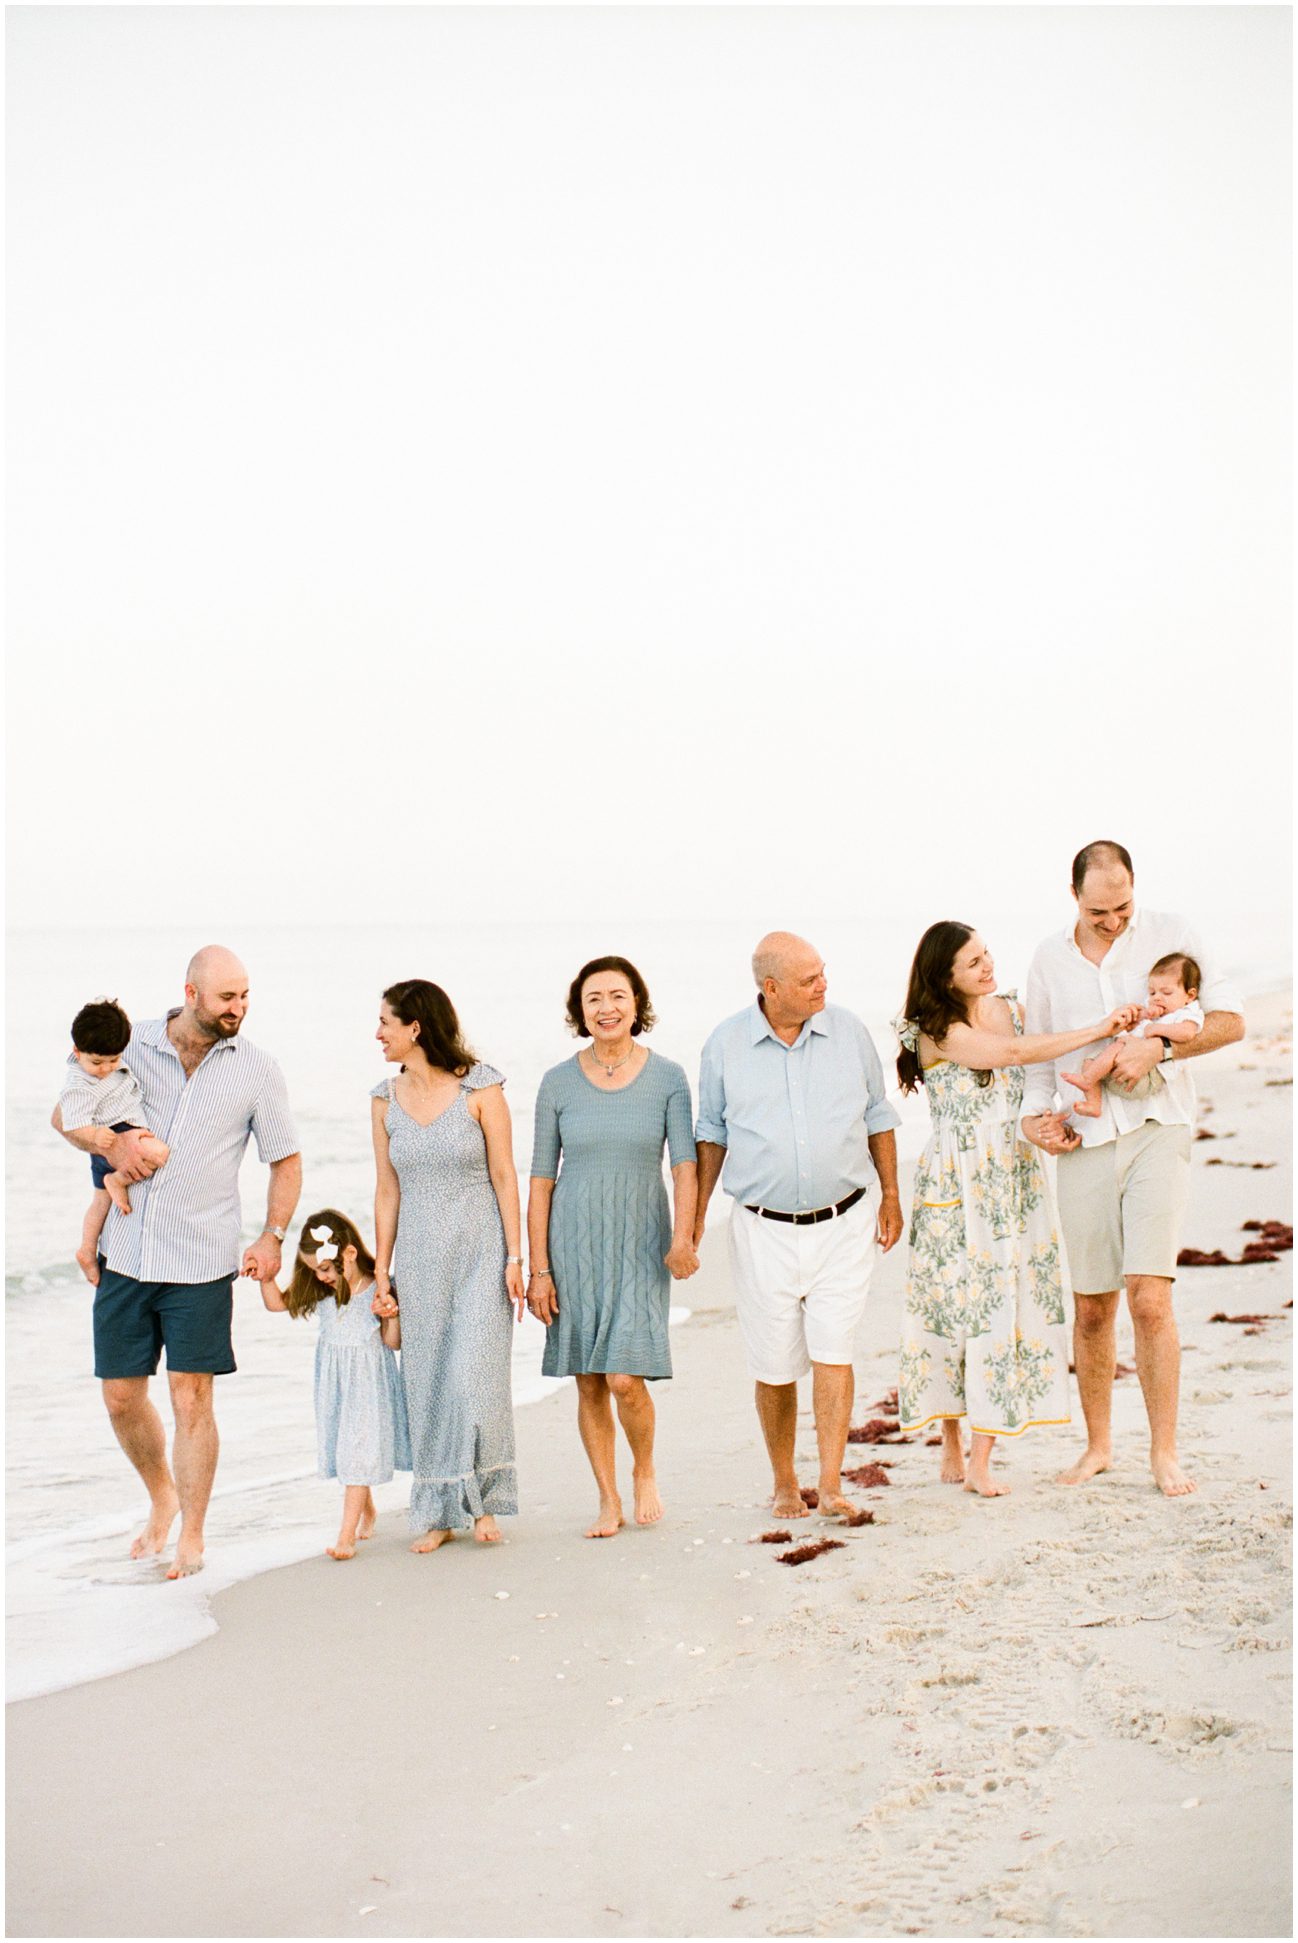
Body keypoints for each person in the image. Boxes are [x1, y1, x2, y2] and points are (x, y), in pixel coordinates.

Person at [51, 946, 301, 1577]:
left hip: (202, 1260)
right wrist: (112, 1143)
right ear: (191, 993)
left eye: (245, 996)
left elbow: (285, 1159)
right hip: (127, 1253)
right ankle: (160, 1495)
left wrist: (272, 1235)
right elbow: (64, 1115)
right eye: (227, 998)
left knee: (192, 1400)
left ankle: (192, 1530)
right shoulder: (124, 1045)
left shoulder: (258, 1070)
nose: (238, 1009)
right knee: (119, 1397)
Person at [1021, 841, 1245, 1497]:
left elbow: (1230, 1020)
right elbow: (1038, 1065)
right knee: (1092, 1308)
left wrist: (1160, 1048)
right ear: (1074, 898)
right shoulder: (1046, 958)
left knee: (1151, 1299)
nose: (1114, 920)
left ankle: (1164, 1452)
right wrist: (1034, 1120)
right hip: (1083, 1139)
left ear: (1134, 889)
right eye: (1099, 911)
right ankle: (1098, 1446)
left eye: (1122, 907)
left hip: (1158, 1129)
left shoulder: (1174, 933)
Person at [894, 923, 1139, 1495]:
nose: (987, 967)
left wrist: (1052, 1119)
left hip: (1015, 1175)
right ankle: (952, 1438)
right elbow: (1007, 1055)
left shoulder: (1014, 1008)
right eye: (972, 962)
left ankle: (983, 1454)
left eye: (987, 955)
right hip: (957, 1180)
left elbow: (1036, 1076)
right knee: (954, 1309)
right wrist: (1100, 1026)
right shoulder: (932, 1031)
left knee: (1003, 1308)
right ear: (944, 976)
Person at [694, 932, 902, 1522]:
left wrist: (891, 1194)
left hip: (844, 1220)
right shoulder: (725, 1044)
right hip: (762, 1229)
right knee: (774, 1365)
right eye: (809, 978)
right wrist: (692, 1225)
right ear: (771, 988)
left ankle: (831, 1483)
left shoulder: (850, 1032)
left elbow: (878, 1115)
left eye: (823, 973)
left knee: (835, 1351)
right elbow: (711, 1133)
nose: (823, 984)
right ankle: (785, 1482)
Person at [527, 957, 698, 1539]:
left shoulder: (668, 1077)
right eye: (594, 998)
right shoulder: (557, 1081)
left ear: (636, 1004)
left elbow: (684, 1166)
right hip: (573, 1245)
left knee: (626, 1377)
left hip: (641, 1242)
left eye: (618, 996)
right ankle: (607, 1498)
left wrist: (684, 1237)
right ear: (580, 1009)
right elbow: (540, 1181)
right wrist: (539, 1270)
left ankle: (644, 1468)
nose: (606, 1008)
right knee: (589, 1380)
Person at [370, 979, 526, 1552]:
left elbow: (505, 1175)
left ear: (415, 1027)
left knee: (474, 1377)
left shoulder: (481, 1088)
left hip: (482, 1252)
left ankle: (484, 1502)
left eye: (385, 1022)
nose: (378, 1033)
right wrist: (382, 1270)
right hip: (418, 1259)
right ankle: (438, 1507)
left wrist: (516, 1256)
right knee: (429, 1380)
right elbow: (386, 1189)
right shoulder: (383, 1098)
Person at [259, 1208, 409, 1561]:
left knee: (356, 1450)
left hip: (369, 1385)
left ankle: (346, 1537)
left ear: (349, 1254)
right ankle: (367, 1510)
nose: (321, 1276)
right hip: (335, 1386)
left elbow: (393, 1342)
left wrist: (392, 1316)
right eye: (314, 1270)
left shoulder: (377, 1286)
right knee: (348, 1450)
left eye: (325, 1268)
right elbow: (277, 1304)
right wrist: (265, 1277)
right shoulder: (322, 1292)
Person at [60, 997, 170, 1285]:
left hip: (117, 1131)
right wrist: (95, 1137)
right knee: (160, 1152)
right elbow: (71, 1123)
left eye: (114, 1060)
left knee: (100, 1203)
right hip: (110, 1135)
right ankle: (119, 1180)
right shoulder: (78, 1083)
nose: (106, 1068)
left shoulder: (107, 1061)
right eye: (97, 1062)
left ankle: (86, 1248)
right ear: (77, 1051)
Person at [1062, 952, 1204, 1117]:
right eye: (1152, 993)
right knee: (1089, 1060)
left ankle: (1088, 1080)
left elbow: (1187, 1033)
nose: (1157, 998)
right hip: (1124, 1067)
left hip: (1149, 1075)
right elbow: (1134, 1026)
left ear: (1190, 995)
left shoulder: (1188, 1013)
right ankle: (1094, 1103)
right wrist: (1143, 1015)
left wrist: (1156, 1028)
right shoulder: (1154, 1011)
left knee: (1122, 1043)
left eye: (1166, 993)